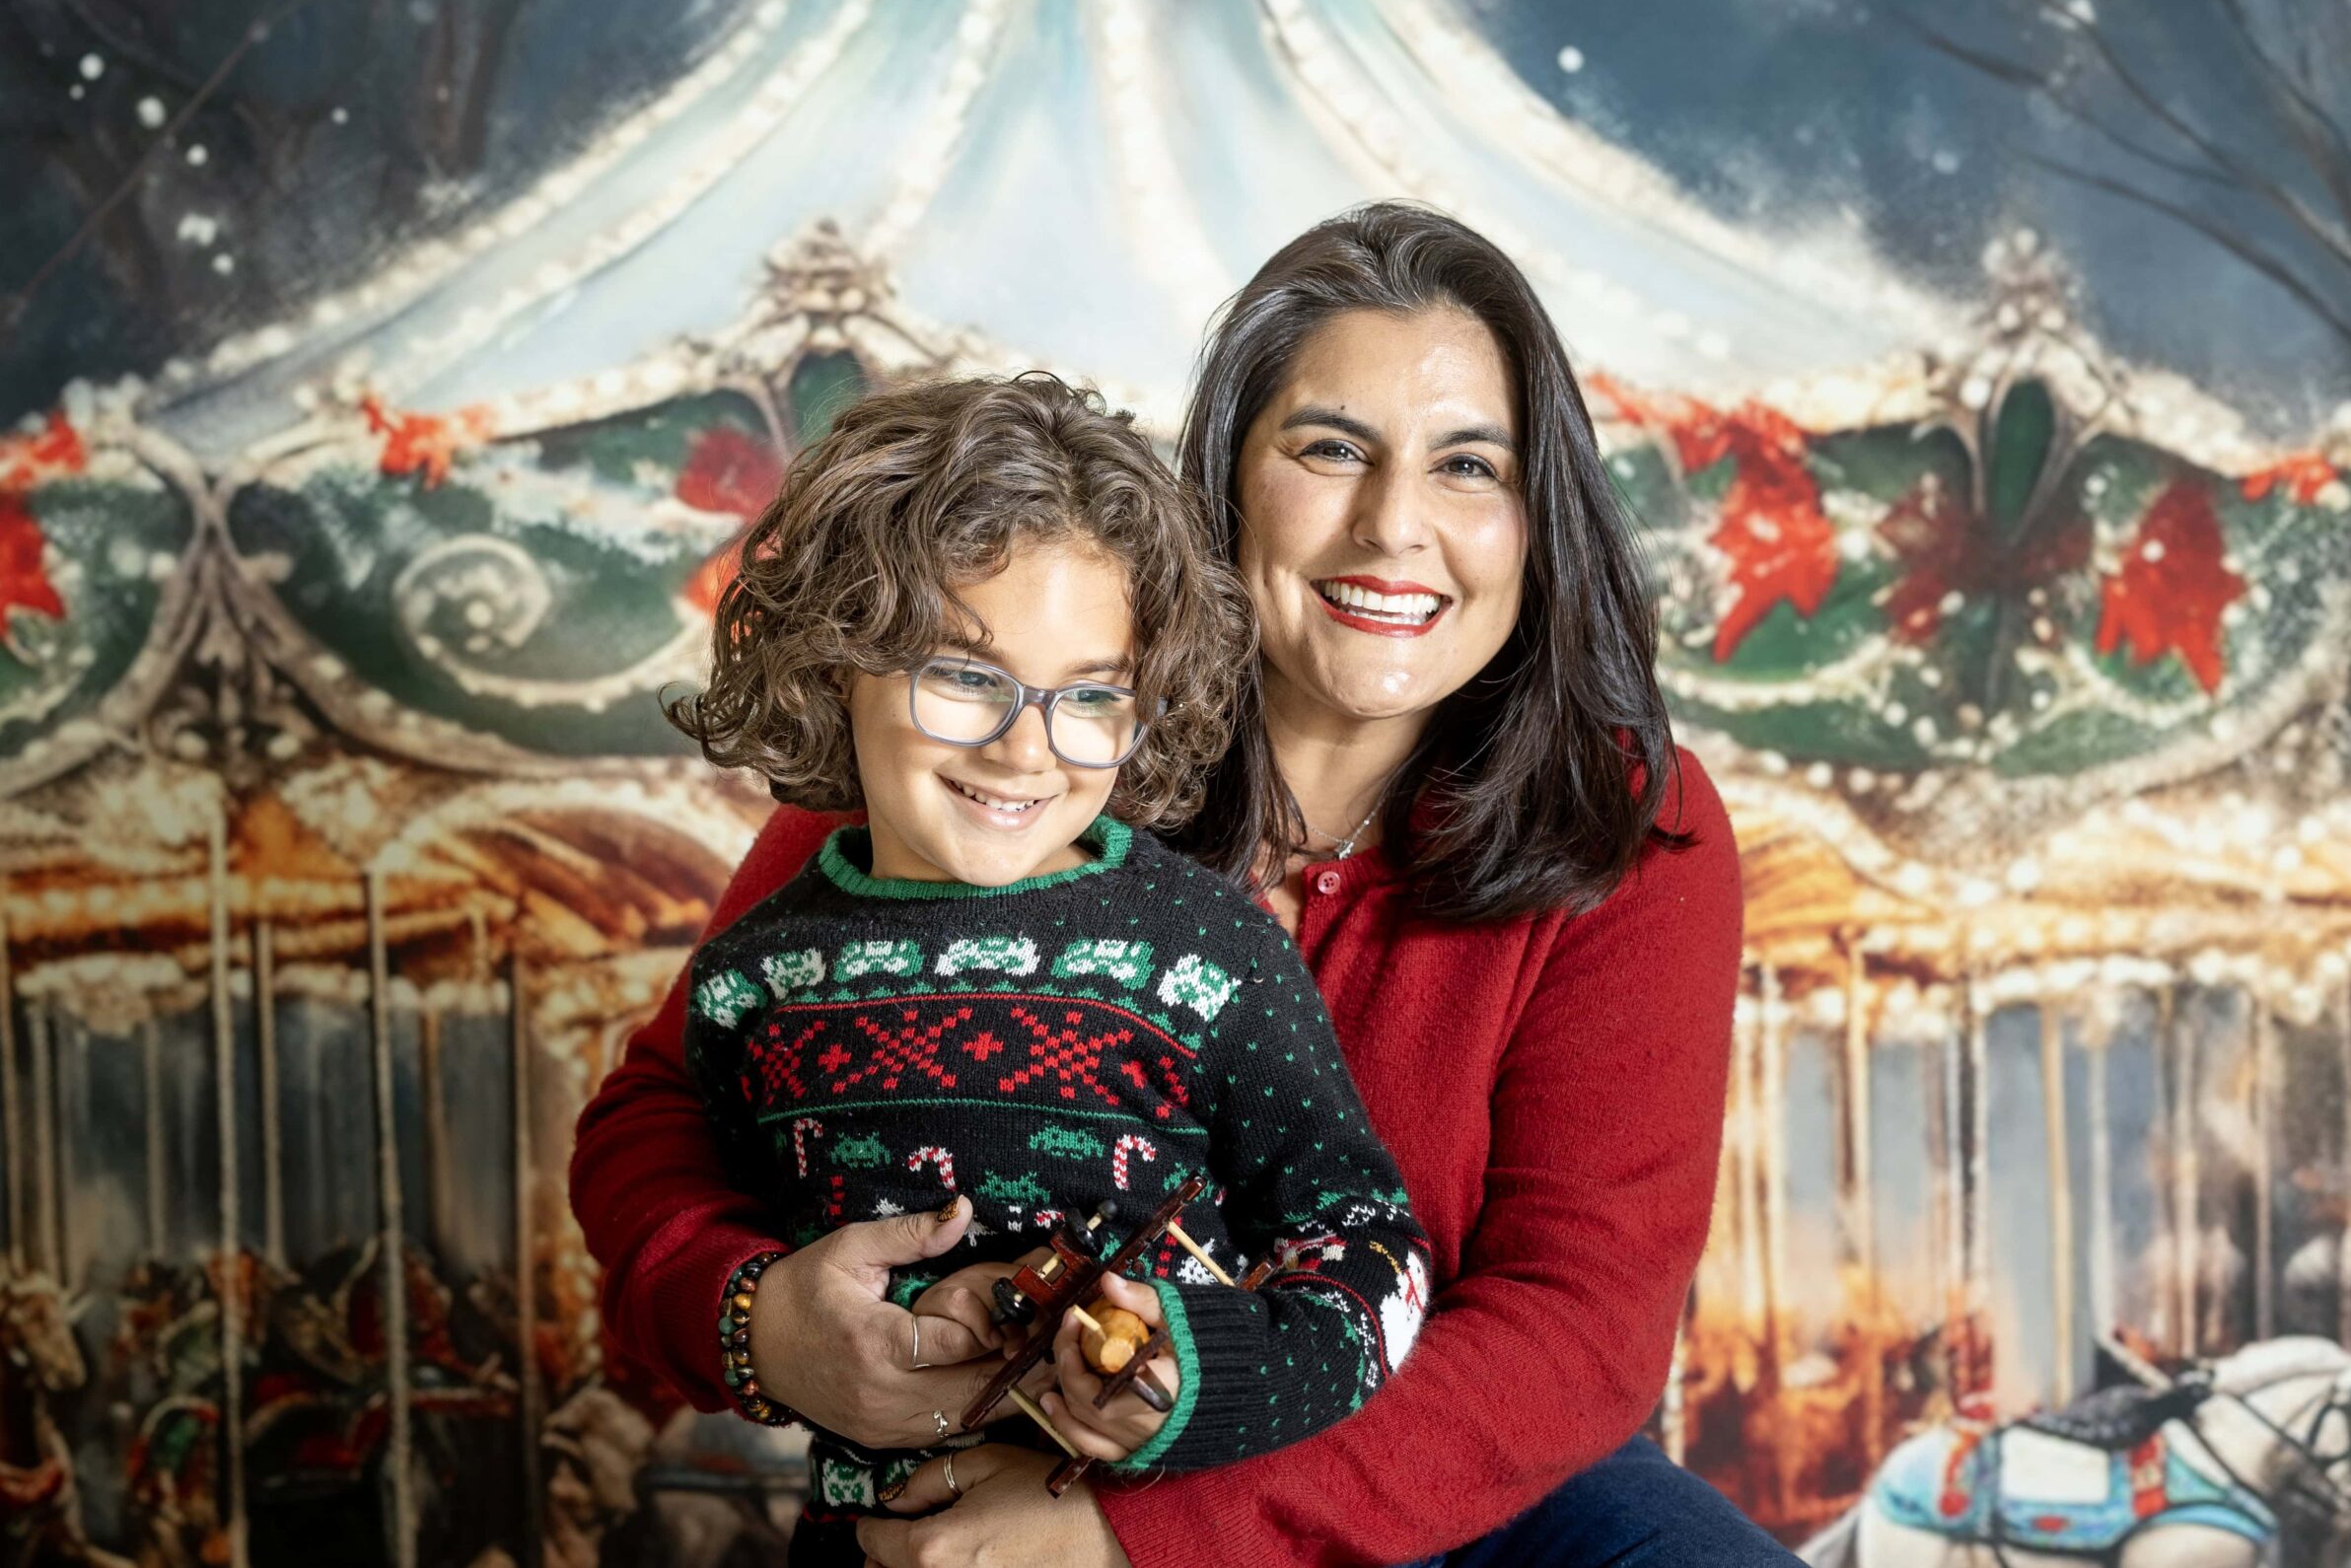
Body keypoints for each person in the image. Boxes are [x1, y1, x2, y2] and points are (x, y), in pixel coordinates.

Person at [573, 202, 1796, 1566]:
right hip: (991, 1459)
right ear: (1226, 476)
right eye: (1330, 448)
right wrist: (759, 1319)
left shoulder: (1630, 819)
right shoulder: (991, 759)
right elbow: (659, 1117)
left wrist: (1139, 1537)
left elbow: (1578, 1320)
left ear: (1537, 516)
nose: (1396, 525)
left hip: (1458, 1464)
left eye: (1469, 464)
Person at [651, 373, 1430, 1564]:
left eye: (1089, 697)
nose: (1026, 747)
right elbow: (759, 1275)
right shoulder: (749, 988)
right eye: (964, 674)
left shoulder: (1204, 959)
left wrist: (1189, 1376)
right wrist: (821, 1323)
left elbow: (1371, 1253)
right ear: (834, 653)